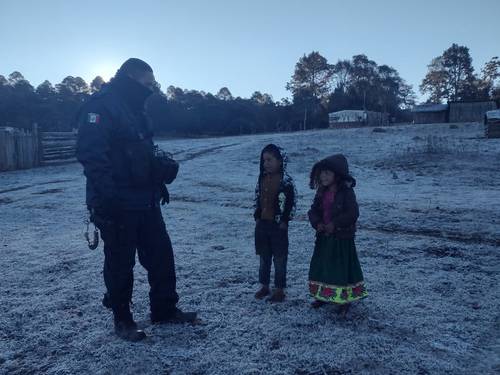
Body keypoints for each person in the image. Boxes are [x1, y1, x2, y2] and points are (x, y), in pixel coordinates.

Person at [76, 58, 196, 342]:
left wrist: (158, 180)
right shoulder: (100, 106)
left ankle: (164, 310)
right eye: (147, 84)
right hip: (117, 202)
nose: (150, 89)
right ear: (130, 77)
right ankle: (123, 319)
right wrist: (108, 198)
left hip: (146, 198)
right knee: (120, 264)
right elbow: (92, 156)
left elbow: (143, 150)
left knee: (161, 257)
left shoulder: (135, 109)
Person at [307, 154, 367, 316]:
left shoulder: (346, 192)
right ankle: (322, 295)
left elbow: (353, 213)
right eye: (322, 173)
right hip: (324, 237)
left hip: (341, 238)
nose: (323, 176)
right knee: (322, 268)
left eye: (327, 173)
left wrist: (335, 224)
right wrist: (317, 223)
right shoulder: (321, 192)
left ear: (337, 174)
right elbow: (313, 211)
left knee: (339, 270)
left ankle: (343, 300)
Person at [253, 144, 296, 302]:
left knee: (279, 258)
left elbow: (292, 202)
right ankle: (264, 286)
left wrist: (285, 220)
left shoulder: (286, 182)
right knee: (264, 258)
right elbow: (256, 198)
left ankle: (279, 289)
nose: (266, 163)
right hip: (262, 225)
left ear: (280, 161)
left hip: (278, 227)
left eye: (270, 160)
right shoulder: (261, 178)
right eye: (264, 160)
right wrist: (257, 216)